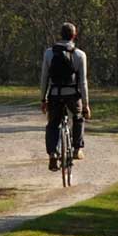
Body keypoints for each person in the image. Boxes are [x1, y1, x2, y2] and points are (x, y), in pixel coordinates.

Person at [38, 22, 90, 164]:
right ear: (74, 35)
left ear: (60, 35)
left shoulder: (49, 53)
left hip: (55, 94)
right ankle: (76, 149)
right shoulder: (80, 55)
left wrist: (43, 99)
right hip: (73, 95)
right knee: (78, 118)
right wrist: (86, 105)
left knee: (53, 123)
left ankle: (53, 153)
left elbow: (44, 78)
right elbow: (83, 82)